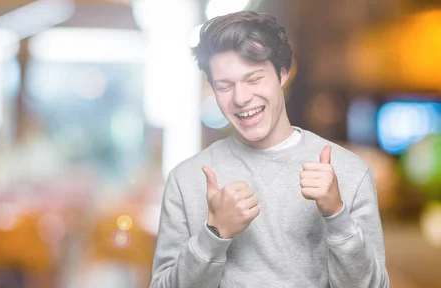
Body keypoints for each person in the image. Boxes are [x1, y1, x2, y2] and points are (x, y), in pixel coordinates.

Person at [150, 11, 389, 287]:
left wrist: (337, 216)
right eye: (225, 86)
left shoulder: (349, 172)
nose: (241, 98)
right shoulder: (186, 180)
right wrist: (214, 233)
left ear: (283, 73)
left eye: (253, 79)